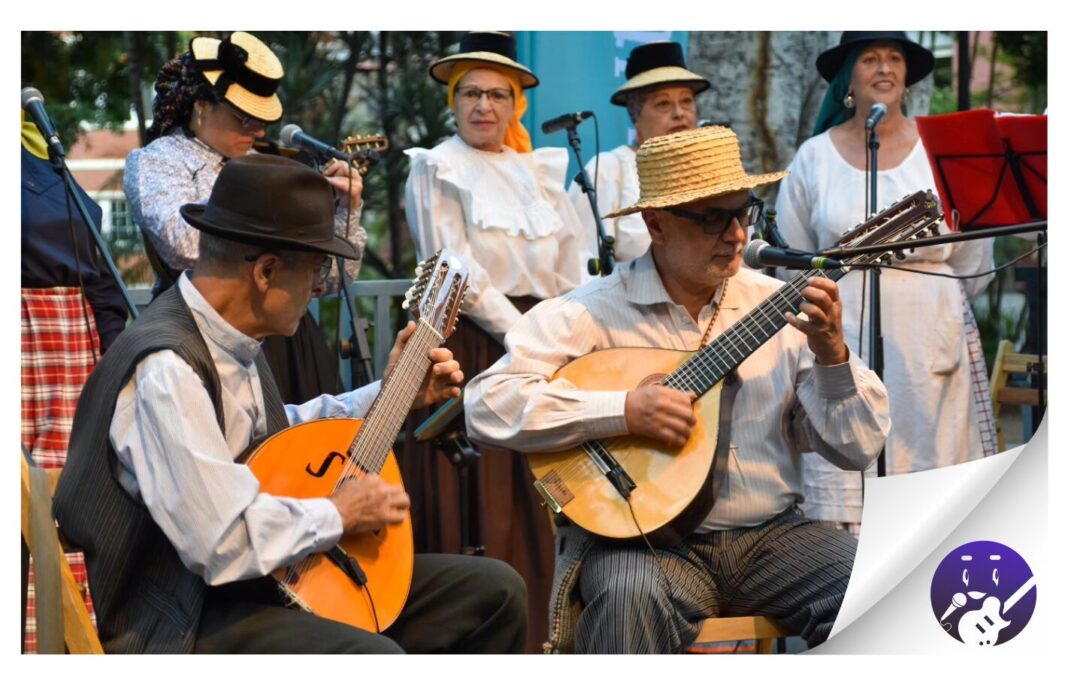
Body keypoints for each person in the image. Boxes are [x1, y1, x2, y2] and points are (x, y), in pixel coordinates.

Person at [53, 155, 527, 654]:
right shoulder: (166, 370)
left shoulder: (231, 338)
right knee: (374, 657)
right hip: (182, 619)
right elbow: (222, 542)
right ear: (266, 271)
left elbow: (278, 438)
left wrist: (392, 395)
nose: (319, 288)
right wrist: (337, 513)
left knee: (493, 593)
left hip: (266, 581)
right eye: (315, 269)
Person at [465, 126, 891, 653]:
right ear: (656, 225)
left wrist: (834, 359)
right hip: (646, 548)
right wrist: (620, 411)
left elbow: (859, 449)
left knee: (884, 587)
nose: (736, 235)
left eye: (743, 213)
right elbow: (486, 404)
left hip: (774, 537)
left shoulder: (777, 303)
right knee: (625, 597)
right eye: (714, 219)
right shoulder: (595, 310)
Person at [403, 31, 587, 650]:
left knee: (542, 487)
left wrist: (567, 334)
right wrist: (525, 335)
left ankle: (547, 631)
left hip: (541, 339)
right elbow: (455, 268)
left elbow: (570, 263)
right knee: (482, 492)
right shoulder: (436, 166)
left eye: (498, 95)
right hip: (473, 347)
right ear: (454, 102)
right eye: (472, 93)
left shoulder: (540, 173)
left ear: (515, 106)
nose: (485, 106)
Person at [774, 31, 997, 535]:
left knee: (930, 480)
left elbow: (971, 257)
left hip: (929, 337)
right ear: (848, 77)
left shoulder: (941, 152)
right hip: (841, 334)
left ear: (907, 75)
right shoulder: (814, 156)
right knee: (848, 454)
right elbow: (792, 261)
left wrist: (921, 291)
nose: (884, 68)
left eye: (894, 58)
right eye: (870, 58)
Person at [124, 31, 362, 403]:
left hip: (289, 338)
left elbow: (332, 280)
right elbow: (183, 247)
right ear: (202, 105)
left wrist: (348, 209)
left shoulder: (264, 166)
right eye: (244, 118)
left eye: (261, 119)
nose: (259, 130)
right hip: (201, 332)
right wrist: (283, 247)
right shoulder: (159, 159)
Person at [21, 108, 129, 653]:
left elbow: (102, 280)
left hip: (67, 342)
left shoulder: (45, 153)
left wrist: (116, 366)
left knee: (62, 504)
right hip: (31, 339)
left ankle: (62, 645)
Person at [567, 40, 709, 263]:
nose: (679, 113)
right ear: (636, 116)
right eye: (663, 104)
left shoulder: (712, 168)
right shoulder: (608, 168)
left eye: (687, 101)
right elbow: (580, 263)